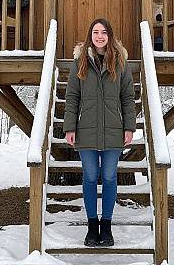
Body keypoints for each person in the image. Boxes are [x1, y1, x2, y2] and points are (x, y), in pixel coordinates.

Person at [63, 18, 136, 247]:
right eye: (95, 32)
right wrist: (70, 126)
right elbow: (73, 96)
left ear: (110, 36)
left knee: (110, 177)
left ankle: (107, 225)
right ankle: (92, 226)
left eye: (104, 32)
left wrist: (129, 126)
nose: (100, 36)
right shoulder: (80, 62)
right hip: (86, 131)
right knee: (90, 177)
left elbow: (127, 97)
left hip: (114, 131)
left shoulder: (120, 62)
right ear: (90, 36)